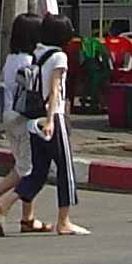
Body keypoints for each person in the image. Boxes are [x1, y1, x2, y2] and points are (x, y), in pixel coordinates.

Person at [13, 13, 86, 236]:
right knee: (65, 169)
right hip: (52, 118)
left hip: (34, 118)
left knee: (39, 171)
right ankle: (64, 221)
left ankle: (3, 204)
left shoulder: (38, 52)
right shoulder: (59, 57)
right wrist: (52, 119)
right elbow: (55, 89)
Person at [0, 12, 44, 234]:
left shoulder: (11, 59)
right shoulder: (31, 62)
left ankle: (28, 218)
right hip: (24, 120)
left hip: (9, 118)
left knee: (24, 164)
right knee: (29, 169)